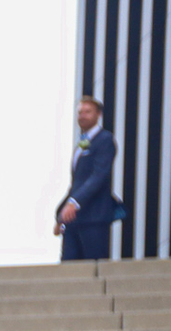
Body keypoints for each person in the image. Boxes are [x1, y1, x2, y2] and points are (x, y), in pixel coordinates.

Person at [58, 96, 121, 262]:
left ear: (98, 114)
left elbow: (98, 176)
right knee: (68, 268)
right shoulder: (82, 143)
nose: (82, 116)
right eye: (80, 112)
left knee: (94, 267)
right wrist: (60, 214)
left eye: (87, 112)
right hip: (74, 219)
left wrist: (74, 202)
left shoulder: (104, 140)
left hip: (94, 218)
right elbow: (77, 182)